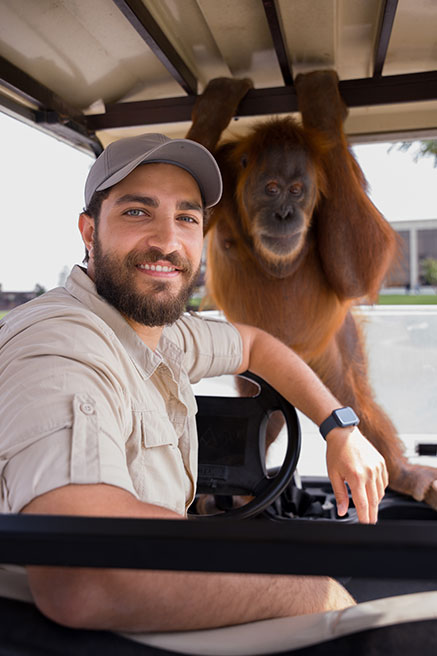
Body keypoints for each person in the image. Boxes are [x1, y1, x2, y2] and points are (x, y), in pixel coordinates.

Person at [0, 133, 388, 633]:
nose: (166, 241)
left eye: (186, 217)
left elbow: (254, 346)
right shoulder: (60, 345)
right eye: (137, 212)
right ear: (88, 230)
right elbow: (85, 574)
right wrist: (315, 590)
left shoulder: (158, 329)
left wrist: (340, 428)